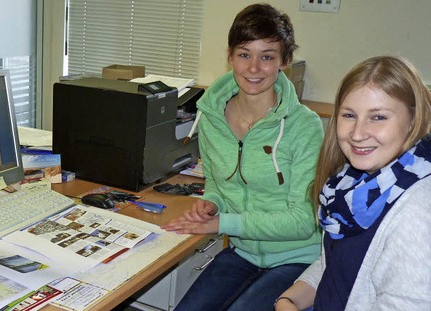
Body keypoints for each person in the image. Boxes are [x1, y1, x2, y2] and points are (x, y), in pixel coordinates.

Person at [161, 3, 323, 310]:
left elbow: (304, 221)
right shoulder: (211, 116)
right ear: (230, 56)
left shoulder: (305, 126)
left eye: (267, 57)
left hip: (298, 258)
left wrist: (222, 223)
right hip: (244, 252)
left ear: (284, 61)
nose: (253, 68)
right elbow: (218, 185)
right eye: (244, 54)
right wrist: (211, 204)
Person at [274, 56, 431, 311]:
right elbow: (337, 262)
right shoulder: (355, 179)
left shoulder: (418, 211)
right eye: (349, 115)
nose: (357, 134)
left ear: (414, 120)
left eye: (378, 117)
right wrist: (289, 300)